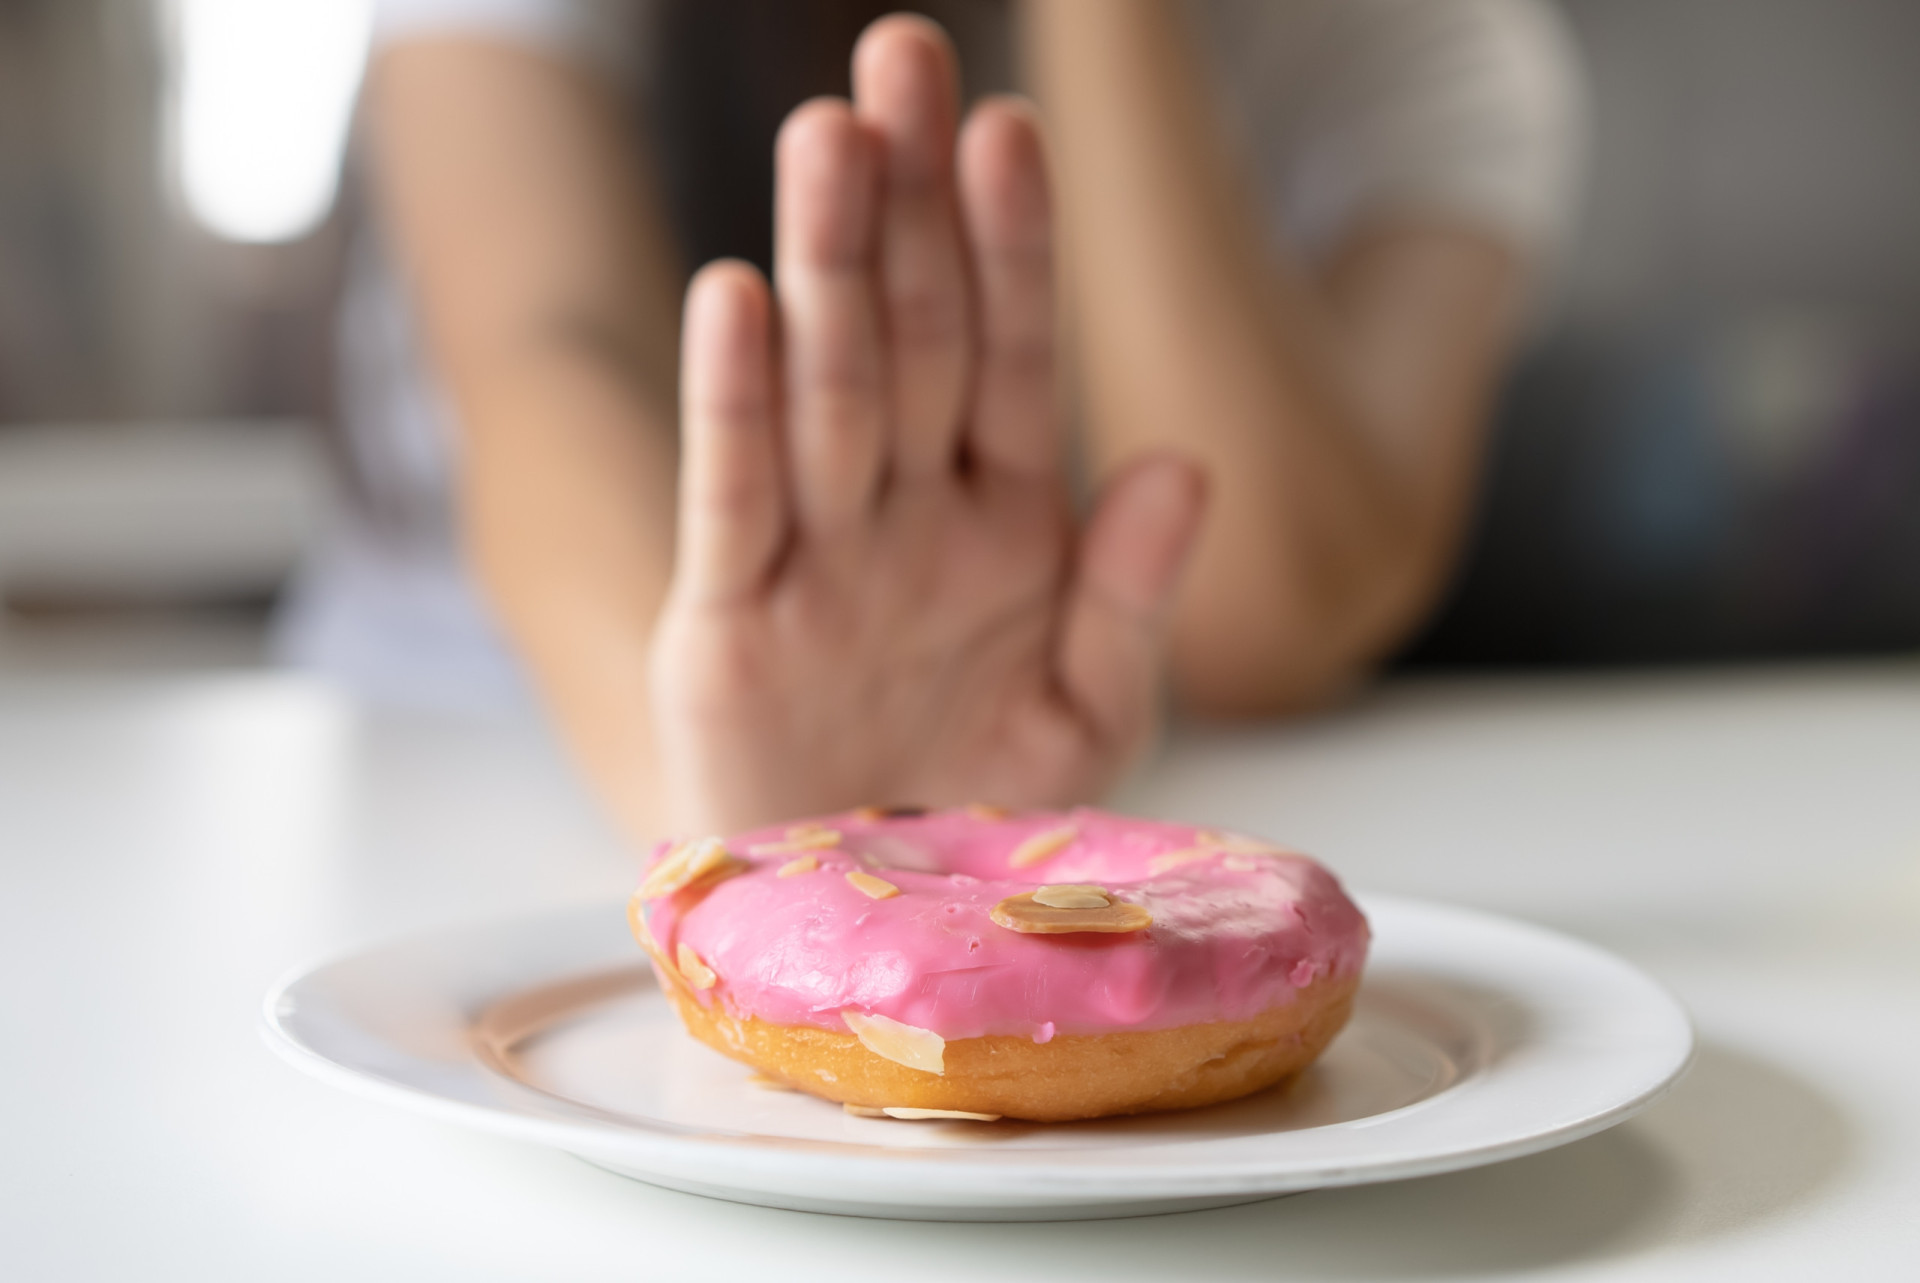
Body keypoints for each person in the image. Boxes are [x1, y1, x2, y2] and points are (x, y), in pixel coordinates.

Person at [283, 0, 1583, 840]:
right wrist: (764, 826)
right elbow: (540, 361)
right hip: (442, 783)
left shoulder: (1430, 50)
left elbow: (1261, 612)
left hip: (1086, 829)